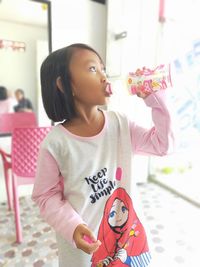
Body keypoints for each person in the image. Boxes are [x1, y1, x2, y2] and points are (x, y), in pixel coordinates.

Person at [32, 43, 174, 267]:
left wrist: (157, 101)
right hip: (86, 248)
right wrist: (73, 226)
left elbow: (162, 145)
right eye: (92, 69)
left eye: (103, 69)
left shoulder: (120, 124)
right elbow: (45, 197)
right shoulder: (55, 143)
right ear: (65, 85)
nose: (103, 76)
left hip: (128, 241)